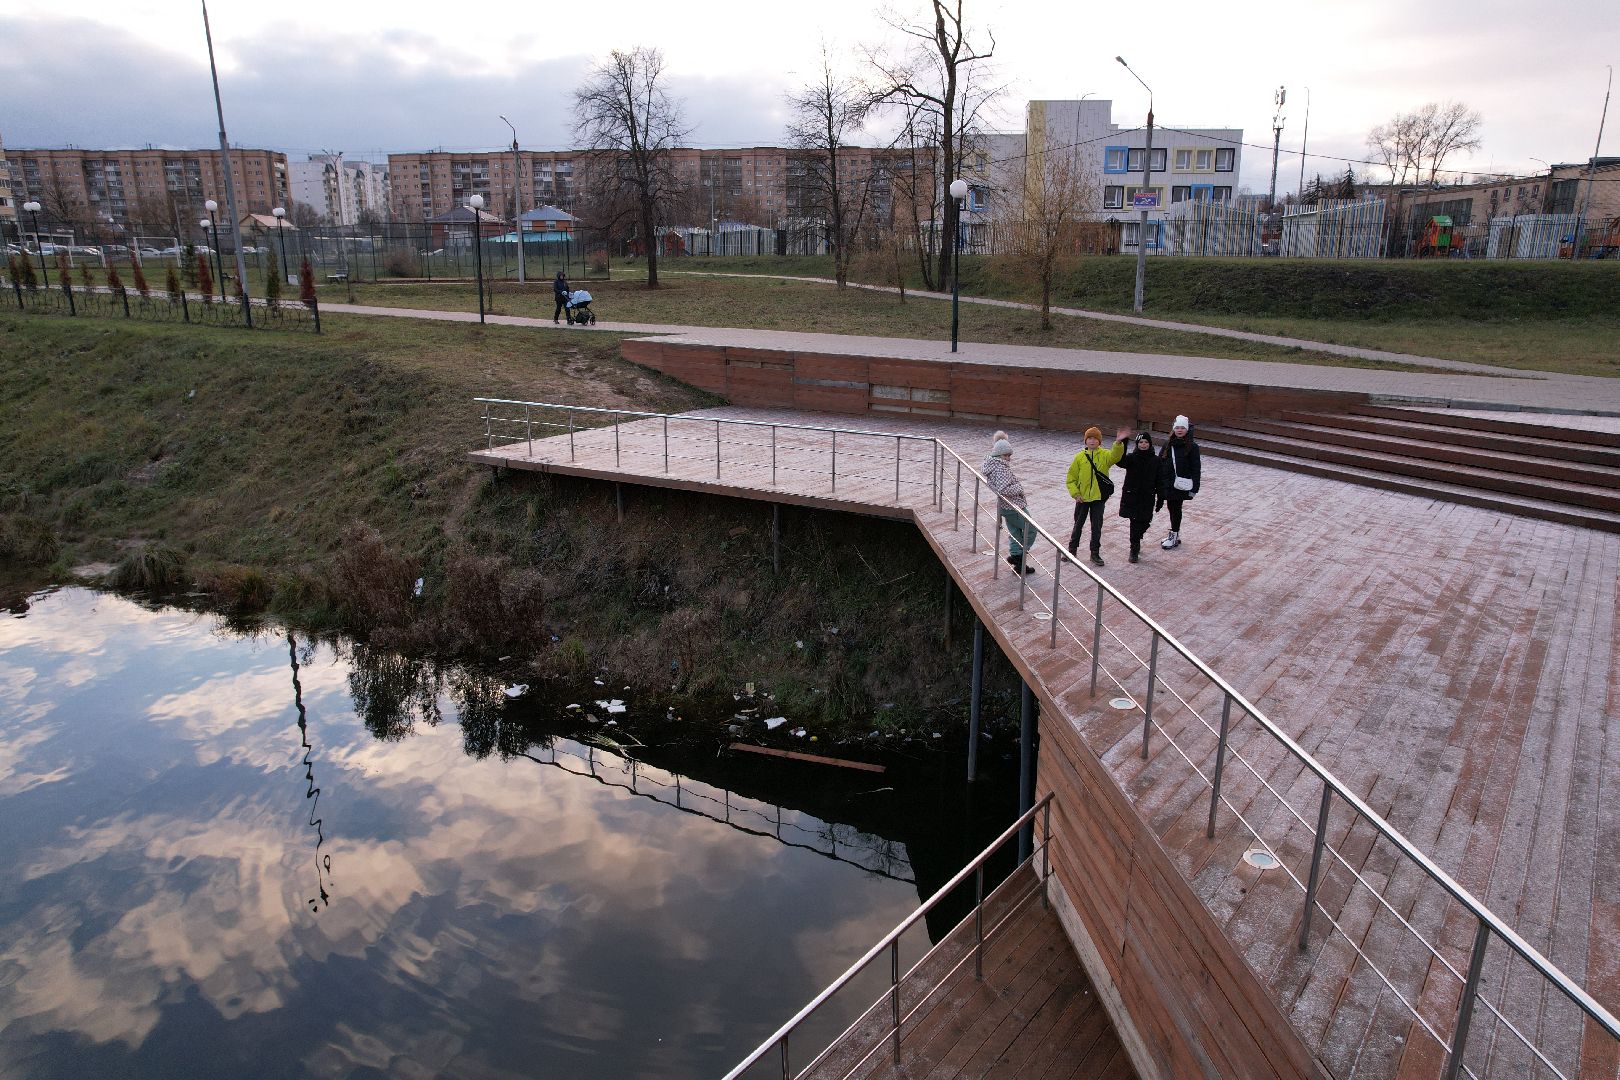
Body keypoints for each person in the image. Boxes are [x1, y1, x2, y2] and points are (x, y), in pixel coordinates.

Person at [1066, 425, 1131, 567]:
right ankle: (1072, 550)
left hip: (1098, 499)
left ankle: (1094, 553)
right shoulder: (1079, 457)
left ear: (1100, 441)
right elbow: (1071, 478)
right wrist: (1076, 494)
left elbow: (1116, 456)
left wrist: (1118, 443)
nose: (1092, 441)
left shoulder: (1105, 455)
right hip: (1082, 499)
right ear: (1085, 441)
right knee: (1078, 525)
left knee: (1096, 526)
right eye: (1089, 438)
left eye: (1095, 438)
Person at [983, 432, 1036, 575]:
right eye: (1005, 455)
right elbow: (1003, 489)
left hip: (1005, 506)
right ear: (998, 455)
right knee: (1031, 529)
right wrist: (1019, 488)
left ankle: (1018, 561)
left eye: (1009, 455)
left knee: (1015, 533)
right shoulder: (1001, 468)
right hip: (1013, 506)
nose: (1008, 458)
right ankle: (1019, 557)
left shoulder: (994, 465)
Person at [1156, 415, 1201, 550]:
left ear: (1187, 429)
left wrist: (1195, 489)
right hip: (1168, 483)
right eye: (1177, 428)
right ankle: (1175, 534)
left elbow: (1196, 468)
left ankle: (1174, 536)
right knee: (1172, 508)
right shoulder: (1168, 444)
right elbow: (1160, 462)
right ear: (1173, 429)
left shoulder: (1192, 447)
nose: (1179, 430)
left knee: (1175, 509)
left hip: (1180, 485)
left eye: (1182, 428)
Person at [1117, 432, 1161, 564]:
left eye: (1146, 442)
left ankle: (1137, 537)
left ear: (1150, 444)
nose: (1143, 445)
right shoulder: (1131, 458)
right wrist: (1124, 443)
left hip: (1147, 497)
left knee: (1146, 521)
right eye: (1141, 442)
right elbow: (1120, 461)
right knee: (1134, 523)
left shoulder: (1156, 460)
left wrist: (1161, 497)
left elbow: (1160, 480)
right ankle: (1134, 549)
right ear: (1137, 444)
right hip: (1132, 496)